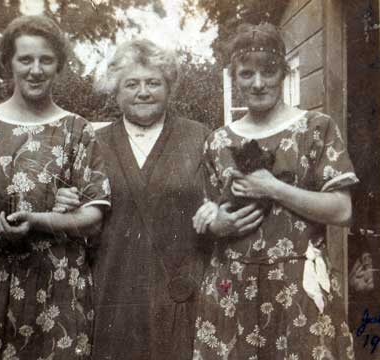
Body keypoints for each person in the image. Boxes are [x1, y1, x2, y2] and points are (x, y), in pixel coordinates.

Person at [54, 39, 262, 360]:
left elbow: (230, 201)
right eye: (131, 84)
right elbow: (79, 221)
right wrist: (67, 203)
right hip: (115, 291)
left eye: (153, 83)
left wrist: (222, 215)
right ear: (116, 89)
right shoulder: (93, 144)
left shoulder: (200, 138)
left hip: (184, 292)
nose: (143, 92)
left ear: (170, 87)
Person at [0, 15, 110, 359]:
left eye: (46, 60)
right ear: (8, 63)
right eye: (25, 59)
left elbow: (94, 216)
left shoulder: (77, 130)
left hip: (56, 283)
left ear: (59, 66)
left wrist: (41, 221)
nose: (36, 69)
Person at [192, 23, 359, 359]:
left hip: (298, 285)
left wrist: (273, 187)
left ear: (283, 72)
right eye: (246, 74)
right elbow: (208, 210)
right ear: (234, 77)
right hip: (231, 287)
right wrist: (214, 223)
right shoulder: (218, 140)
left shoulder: (315, 128)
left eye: (268, 72)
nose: (257, 83)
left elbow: (342, 211)